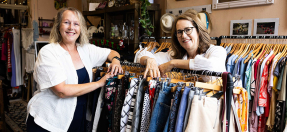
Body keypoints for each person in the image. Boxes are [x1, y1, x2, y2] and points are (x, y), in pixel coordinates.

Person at [26, 7, 123, 132]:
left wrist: (115, 61)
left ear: (81, 29)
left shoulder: (86, 49)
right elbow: (61, 91)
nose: (71, 27)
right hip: (49, 121)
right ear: (58, 26)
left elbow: (112, 52)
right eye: (66, 22)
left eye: (76, 24)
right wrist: (99, 83)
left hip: (78, 117)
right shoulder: (48, 52)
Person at [137, 9, 226, 80]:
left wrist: (173, 63)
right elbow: (140, 55)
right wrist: (149, 60)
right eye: (179, 32)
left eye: (188, 30)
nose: (183, 35)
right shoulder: (175, 55)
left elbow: (210, 67)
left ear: (198, 31)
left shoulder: (217, 51)